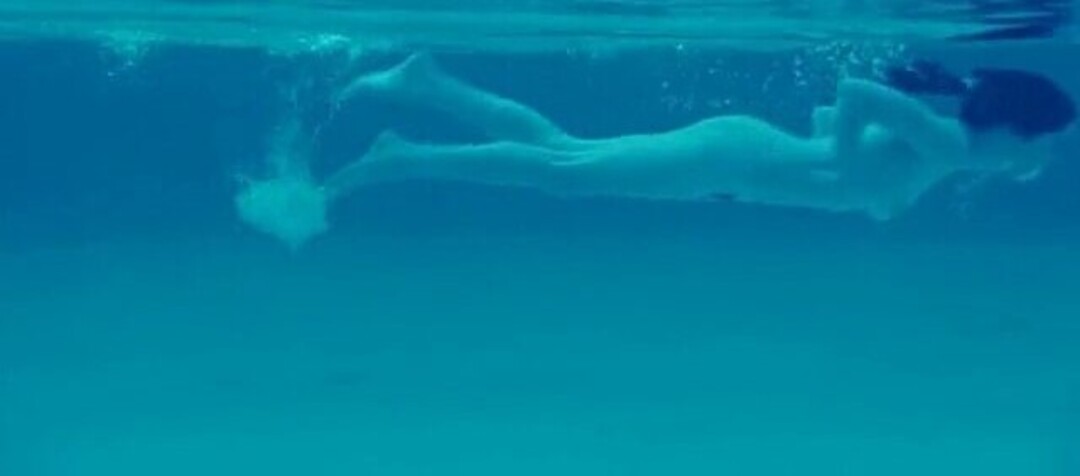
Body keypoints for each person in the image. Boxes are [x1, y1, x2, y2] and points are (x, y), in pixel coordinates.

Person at [236, 54, 1076, 248]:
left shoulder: (958, 148)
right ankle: (400, 157)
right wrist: (855, 170)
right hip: (728, 159)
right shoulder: (947, 136)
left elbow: (828, 117)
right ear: (1017, 125)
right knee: (565, 175)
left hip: (736, 168)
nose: (1045, 160)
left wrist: (856, 175)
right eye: (1047, 143)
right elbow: (852, 93)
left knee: (564, 153)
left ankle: (427, 85)